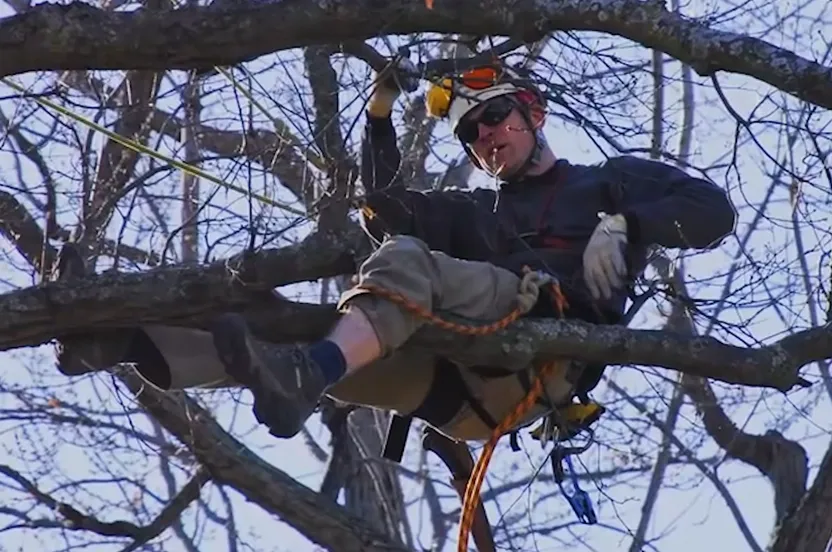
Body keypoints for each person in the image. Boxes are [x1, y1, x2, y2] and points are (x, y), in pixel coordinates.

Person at [52, 60, 736, 451]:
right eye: (470, 134)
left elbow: (712, 211)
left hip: (544, 351)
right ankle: (115, 341)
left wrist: (625, 223)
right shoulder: (475, 213)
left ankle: (309, 373)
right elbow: (385, 206)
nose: (485, 136)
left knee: (403, 266)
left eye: (494, 117)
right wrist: (379, 115)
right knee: (274, 340)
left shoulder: (608, 182)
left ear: (534, 112)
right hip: (457, 393)